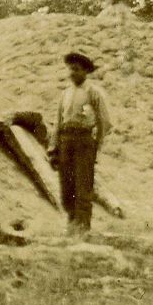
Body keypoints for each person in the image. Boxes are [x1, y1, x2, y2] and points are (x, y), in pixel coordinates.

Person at [49, 51, 113, 238]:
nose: (72, 73)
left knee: (83, 185)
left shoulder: (93, 93)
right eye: (70, 69)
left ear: (85, 71)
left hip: (84, 142)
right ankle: (71, 225)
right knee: (66, 186)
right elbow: (58, 122)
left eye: (76, 69)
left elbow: (105, 122)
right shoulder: (65, 94)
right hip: (65, 142)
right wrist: (53, 148)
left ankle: (83, 228)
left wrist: (95, 144)